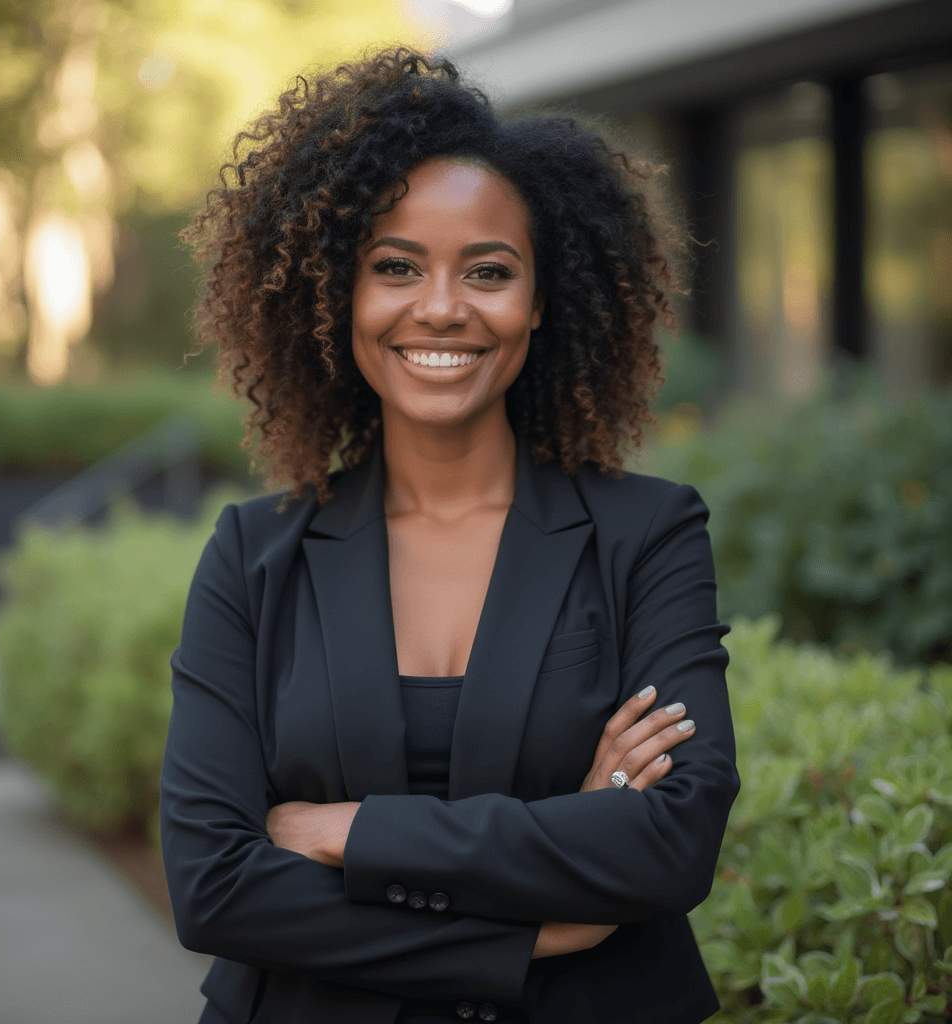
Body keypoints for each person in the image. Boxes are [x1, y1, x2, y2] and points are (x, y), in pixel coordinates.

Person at [161, 48, 740, 1024]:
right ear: (336, 294)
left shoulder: (648, 534)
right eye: (394, 267)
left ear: (541, 300)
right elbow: (215, 884)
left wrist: (342, 830)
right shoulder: (252, 554)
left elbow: (670, 842)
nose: (440, 306)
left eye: (487, 270)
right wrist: (540, 923)